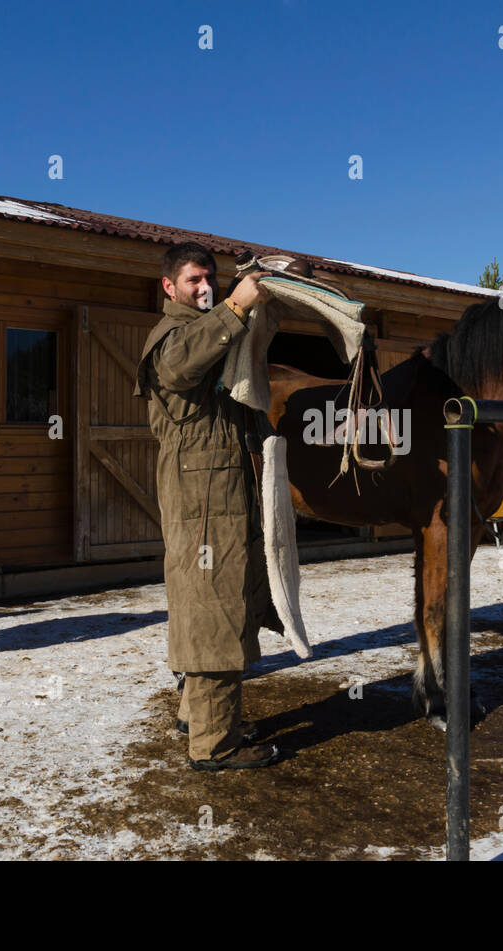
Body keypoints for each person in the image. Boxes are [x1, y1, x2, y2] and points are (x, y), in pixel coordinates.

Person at [136, 241, 283, 770]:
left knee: (228, 602)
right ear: (169, 286)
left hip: (225, 495)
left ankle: (195, 717)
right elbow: (181, 367)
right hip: (202, 503)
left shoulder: (219, 331)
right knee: (212, 611)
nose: (207, 287)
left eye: (211, 279)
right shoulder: (171, 337)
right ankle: (215, 746)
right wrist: (236, 306)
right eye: (195, 279)